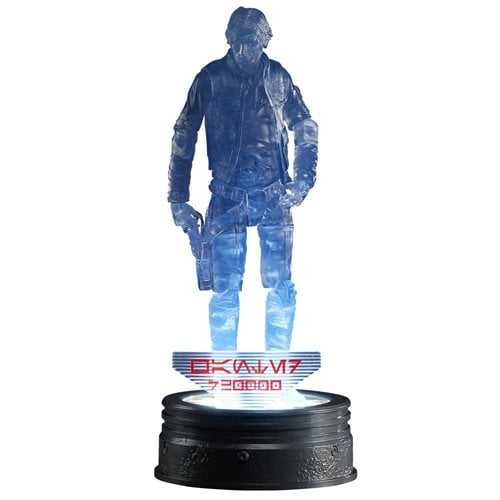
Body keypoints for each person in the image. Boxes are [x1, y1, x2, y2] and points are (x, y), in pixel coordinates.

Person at [168, 7, 318, 351]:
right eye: (235, 41)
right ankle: (224, 368)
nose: (241, 49)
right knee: (224, 291)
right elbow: (184, 133)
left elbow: (305, 126)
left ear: (264, 41)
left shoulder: (278, 77)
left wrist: (302, 181)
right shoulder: (210, 78)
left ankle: (277, 366)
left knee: (280, 287)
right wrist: (178, 198)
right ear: (228, 39)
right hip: (227, 197)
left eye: (249, 42)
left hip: (274, 196)